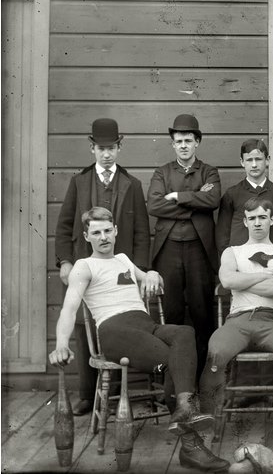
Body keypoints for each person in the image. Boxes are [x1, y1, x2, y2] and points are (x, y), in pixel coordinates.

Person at [49, 207, 229, 472]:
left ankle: (184, 408)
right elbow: (68, 308)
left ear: (115, 231)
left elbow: (151, 278)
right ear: (86, 236)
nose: (103, 237)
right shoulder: (84, 267)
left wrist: (152, 274)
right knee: (175, 361)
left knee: (184, 333)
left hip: (145, 324)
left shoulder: (123, 259)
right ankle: (191, 444)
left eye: (107, 231)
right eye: (96, 233)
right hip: (114, 330)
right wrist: (61, 344)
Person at [55, 118, 150, 416]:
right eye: (101, 149)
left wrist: (139, 271)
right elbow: (64, 226)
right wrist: (65, 261)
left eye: (111, 148)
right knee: (83, 326)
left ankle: (124, 393)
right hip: (85, 268)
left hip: (119, 273)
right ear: (92, 148)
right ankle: (87, 395)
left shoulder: (132, 184)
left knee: (122, 325)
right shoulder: (79, 182)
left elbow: (141, 233)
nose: (106, 154)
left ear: (120, 147)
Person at [200, 197, 273, 433]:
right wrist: (264, 276)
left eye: (262, 217)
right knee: (216, 352)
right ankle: (208, 426)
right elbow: (228, 281)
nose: (257, 223)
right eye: (252, 218)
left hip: (271, 321)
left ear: (272, 220)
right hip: (237, 321)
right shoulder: (232, 252)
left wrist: (243, 281)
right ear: (245, 222)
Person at [147, 114, 220, 372]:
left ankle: (203, 375)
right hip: (168, 250)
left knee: (202, 313)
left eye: (188, 140)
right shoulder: (162, 172)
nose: (183, 146)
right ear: (173, 144)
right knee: (172, 312)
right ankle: (174, 375)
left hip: (199, 250)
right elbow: (154, 205)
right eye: (178, 141)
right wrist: (194, 202)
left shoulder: (209, 171)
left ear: (197, 142)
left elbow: (212, 200)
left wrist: (177, 195)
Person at [215, 138, 273, 253]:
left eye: (258, 159)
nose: (254, 165)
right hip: (240, 257)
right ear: (242, 162)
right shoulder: (232, 194)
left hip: (272, 256)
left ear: (267, 160)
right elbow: (222, 235)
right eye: (249, 160)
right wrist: (228, 258)